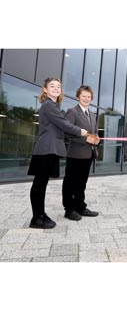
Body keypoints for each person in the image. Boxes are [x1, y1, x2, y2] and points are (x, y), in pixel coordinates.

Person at [27, 78, 88, 229]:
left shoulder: (52, 105)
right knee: (39, 185)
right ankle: (37, 217)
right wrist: (80, 131)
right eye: (52, 86)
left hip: (50, 149)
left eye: (58, 86)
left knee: (41, 184)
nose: (56, 88)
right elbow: (64, 124)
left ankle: (40, 214)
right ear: (45, 89)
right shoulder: (49, 105)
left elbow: (61, 127)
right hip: (46, 149)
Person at [62, 85, 100, 221]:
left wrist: (96, 138)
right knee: (70, 182)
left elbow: (94, 132)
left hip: (88, 154)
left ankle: (80, 206)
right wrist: (86, 139)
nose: (86, 98)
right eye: (84, 96)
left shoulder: (93, 115)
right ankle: (69, 209)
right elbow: (67, 132)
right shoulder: (72, 112)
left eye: (89, 96)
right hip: (75, 154)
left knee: (82, 183)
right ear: (78, 97)